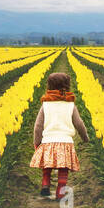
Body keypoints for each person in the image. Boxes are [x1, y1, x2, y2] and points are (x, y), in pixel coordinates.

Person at [30, 71, 88, 199]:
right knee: (63, 167)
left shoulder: (45, 105)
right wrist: (85, 138)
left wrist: (37, 142)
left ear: (49, 86)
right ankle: (60, 190)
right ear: (67, 86)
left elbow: (37, 127)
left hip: (48, 141)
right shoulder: (70, 105)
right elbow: (79, 124)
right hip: (65, 141)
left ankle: (45, 184)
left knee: (47, 164)